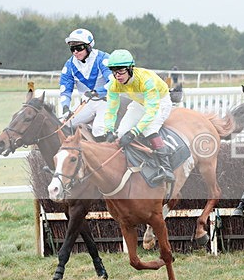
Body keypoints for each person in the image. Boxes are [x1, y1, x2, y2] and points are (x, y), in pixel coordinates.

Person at [104, 49, 175, 184]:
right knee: (121, 133)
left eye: (121, 71)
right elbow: (111, 110)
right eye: (114, 71)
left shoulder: (145, 80)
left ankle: (167, 168)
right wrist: (108, 130)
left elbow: (151, 111)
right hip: (139, 103)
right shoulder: (114, 84)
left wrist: (134, 132)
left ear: (131, 69)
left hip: (160, 102)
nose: (117, 75)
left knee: (149, 129)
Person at [58, 28, 112, 140]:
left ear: (89, 46)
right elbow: (65, 90)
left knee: (99, 128)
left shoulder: (103, 58)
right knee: (63, 126)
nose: (75, 52)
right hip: (86, 102)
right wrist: (65, 108)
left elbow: (113, 82)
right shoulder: (69, 65)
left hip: (107, 101)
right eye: (72, 49)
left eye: (79, 48)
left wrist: (96, 92)